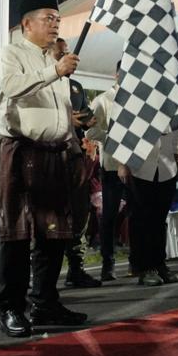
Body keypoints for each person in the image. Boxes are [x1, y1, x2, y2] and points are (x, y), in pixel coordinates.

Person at [0, 0, 87, 340]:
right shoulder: (11, 54)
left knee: (54, 235)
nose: (55, 24)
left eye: (57, 19)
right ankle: (12, 308)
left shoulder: (55, 59)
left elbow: (63, 113)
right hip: (23, 151)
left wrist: (75, 148)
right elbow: (11, 88)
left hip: (57, 152)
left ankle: (46, 302)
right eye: (48, 18)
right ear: (26, 24)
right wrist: (54, 71)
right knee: (18, 235)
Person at [52, 38, 101, 289]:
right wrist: (64, 118)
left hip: (75, 155)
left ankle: (76, 268)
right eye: (61, 53)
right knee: (51, 214)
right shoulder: (41, 84)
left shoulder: (76, 87)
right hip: (49, 156)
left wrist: (87, 121)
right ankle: (45, 276)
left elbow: (86, 114)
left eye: (67, 52)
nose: (67, 56)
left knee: (80, 212)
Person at [120, 130, 178, 286]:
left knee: (160, 219)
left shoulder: (171, 104)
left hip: (167, 164)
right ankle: (143, 268)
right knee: (142, 218)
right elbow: (122, 128)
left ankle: (160, 264)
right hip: (140, 164)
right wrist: (122, 163)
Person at [86, 63, 124, 282]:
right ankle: (107, 263)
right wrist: (115, 136)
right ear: (116, 74)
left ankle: (140, 262)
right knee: (109, 215)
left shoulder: (139, 98)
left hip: (139, 164)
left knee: (138, 212)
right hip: (112, 165)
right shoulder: (102, 100)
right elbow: (91, 131)